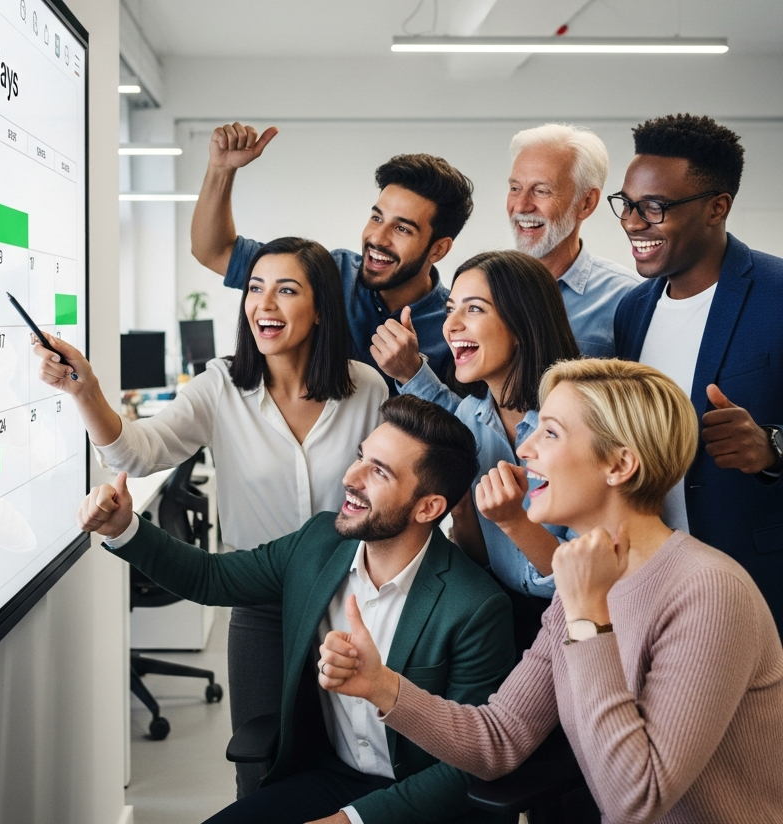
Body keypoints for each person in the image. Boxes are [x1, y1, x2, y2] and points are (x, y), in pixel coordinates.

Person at [319, 359, 783, 824]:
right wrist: (380, 685)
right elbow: (498, 739)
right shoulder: (583, 581)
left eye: (551, 433)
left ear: (619, 464)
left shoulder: (708, 591)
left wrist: (587, 615)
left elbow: (636, 800)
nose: (525, 447)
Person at [32, 236, 387, 798]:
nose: (263, 305)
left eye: (286, 290)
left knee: (356, 766)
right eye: (254, 289)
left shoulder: (366, 389)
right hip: (260, 605)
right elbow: (136, 451)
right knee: (261, 770)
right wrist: (88, 392)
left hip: (353, 603)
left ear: (321, 308)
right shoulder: (223, 386)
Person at [77, 396, 515, 824]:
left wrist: (350, 820)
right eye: (361, 457)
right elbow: (213, 577)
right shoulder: (317, 543)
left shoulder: (475, 606)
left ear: (429, 507)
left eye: (378, 472)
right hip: (330, 778)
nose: (351, 477)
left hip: (422, 800)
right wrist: (124, 530)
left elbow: (468, 764)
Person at [611, 114, 783, 631]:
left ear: (717, 207)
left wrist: (773, 447)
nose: (633, 222)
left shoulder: (777, 295)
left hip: (752, 579)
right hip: (650, 581)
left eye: (654, 207)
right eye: (627, 204)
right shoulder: (632, 310)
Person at [189, 122, 474, 401]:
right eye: (376, 217)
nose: (377, 238)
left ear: (438, 249)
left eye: (402, 229)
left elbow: (472, 436)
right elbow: (214, 251)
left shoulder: (456, 326)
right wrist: (221, 169)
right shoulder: (330, 272)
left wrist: (413, 374)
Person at [370, 123, 635, 391]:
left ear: (586, 202)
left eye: (541, 190)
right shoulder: (479, 286)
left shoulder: (626, 300)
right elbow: (474, 416)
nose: (521, 206)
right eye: (515, 188)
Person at [401, 251, 581, 619]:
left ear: (521, 324)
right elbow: (481, 557)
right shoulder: (470, 417)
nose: (450, 325)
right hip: (499, 612)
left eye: (474, 309)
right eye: (451, 308)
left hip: (575, 617)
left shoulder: (581, 423)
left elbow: (586, 580)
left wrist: (512, 520)